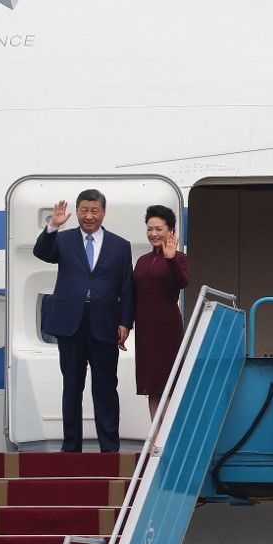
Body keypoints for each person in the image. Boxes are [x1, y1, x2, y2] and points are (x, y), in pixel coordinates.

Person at [33, 189, 133, 452]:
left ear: (103, 212)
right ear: (77, 211)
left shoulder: (120, 246)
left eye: (94, 210)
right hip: (70, 323)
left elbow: (127, 287)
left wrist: (125, 322)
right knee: (72, 385)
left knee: (106, 387)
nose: (89, 216)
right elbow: (41, 252)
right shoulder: (63, 240)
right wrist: (53, 226)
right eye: (84, 210)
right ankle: (71, 446)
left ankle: (110, 447)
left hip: (104, 323)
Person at [133, 204, 190, 419]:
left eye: (158, 229)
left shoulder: (179, 258)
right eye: (150, 229)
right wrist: (126, 324)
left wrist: (171, 258)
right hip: (145, 328)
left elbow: (182, 282)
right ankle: (155, 438)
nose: (153, 234)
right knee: (152, 385)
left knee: (169, 382)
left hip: (167, 327)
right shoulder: (142, 260)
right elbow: (133, 293)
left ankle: (169, 438)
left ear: (171, 231)